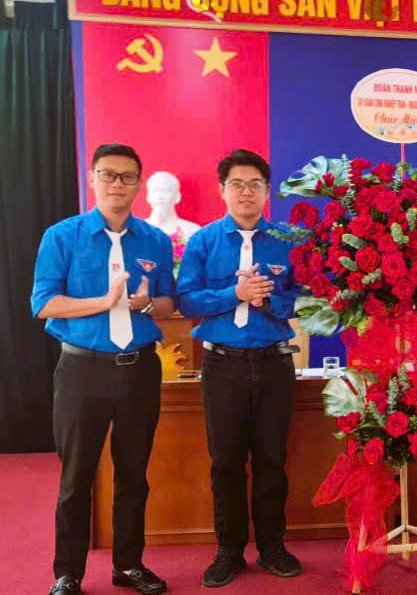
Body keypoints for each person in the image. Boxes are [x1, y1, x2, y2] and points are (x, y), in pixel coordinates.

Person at [31, 143, 175, 595]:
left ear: (138, 184)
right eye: (108, 174)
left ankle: (129, 566)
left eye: (127, 176)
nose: (117, 183)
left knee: (133, 474)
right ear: (92, 178)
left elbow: (169, 304)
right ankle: (67, 573)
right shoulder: (62, 236)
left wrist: (147, 303)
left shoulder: (155, 240)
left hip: (139, 370)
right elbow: (44, 303)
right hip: (82, 371)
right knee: (76, 478)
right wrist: (103, 302)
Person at [176, 149, 302, 588]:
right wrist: (235, 294)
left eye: (255, 185)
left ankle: (272, 547)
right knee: (226, 463)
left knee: (272, 460)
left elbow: (304, 300)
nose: (246, 192)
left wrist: (268, 301)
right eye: (237, 184)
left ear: (268, 191)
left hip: (274, 364)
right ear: (222, 190)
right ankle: (229, 551)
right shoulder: (203, 241)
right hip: (222, 366)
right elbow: (186, 300)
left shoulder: (288, 240)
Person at [144, 171, 201, 240]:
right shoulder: (137, 230)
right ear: (148, 197)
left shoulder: (192, 231)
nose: (159, 196)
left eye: (165, 190)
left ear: (177, 197)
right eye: (154, 191)